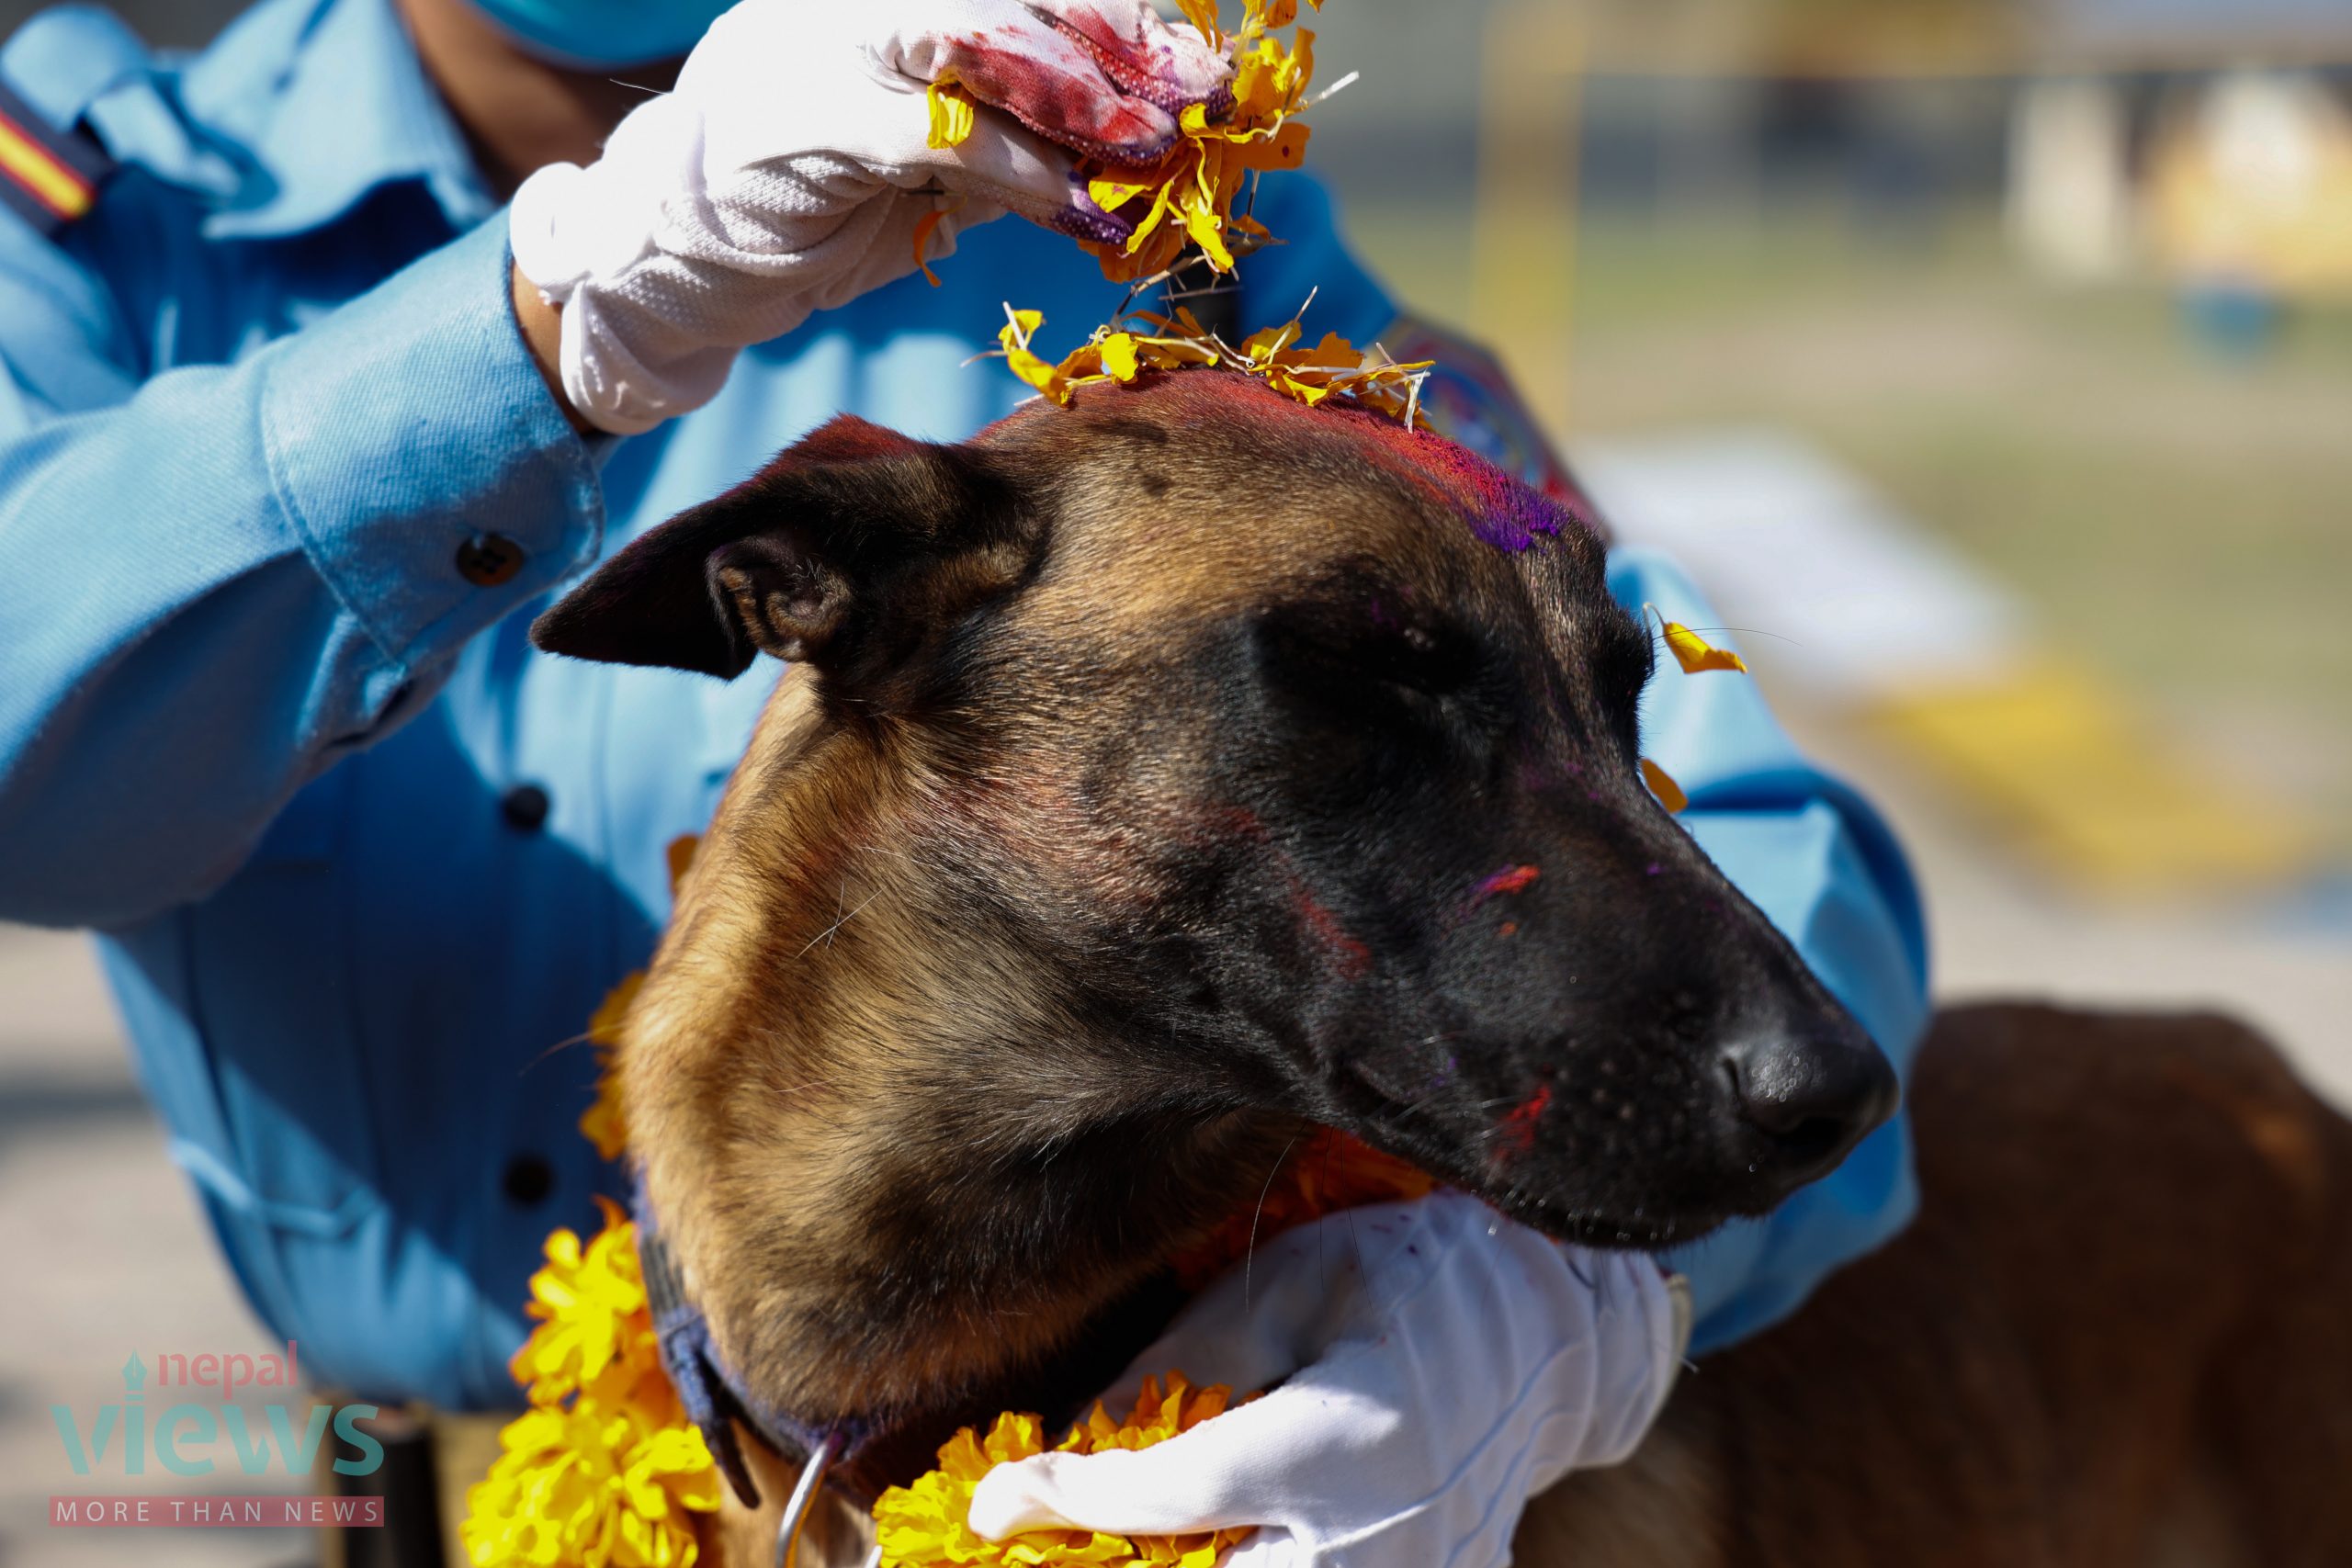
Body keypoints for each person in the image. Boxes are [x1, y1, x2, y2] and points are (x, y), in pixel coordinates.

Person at [0, 0, 1928, 1560]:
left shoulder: (1157, 242)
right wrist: (553, 315)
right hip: (436, 1492)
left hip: (1154, 1464)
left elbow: (1744, 836)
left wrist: (1579, 1305)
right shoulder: (94, 200)